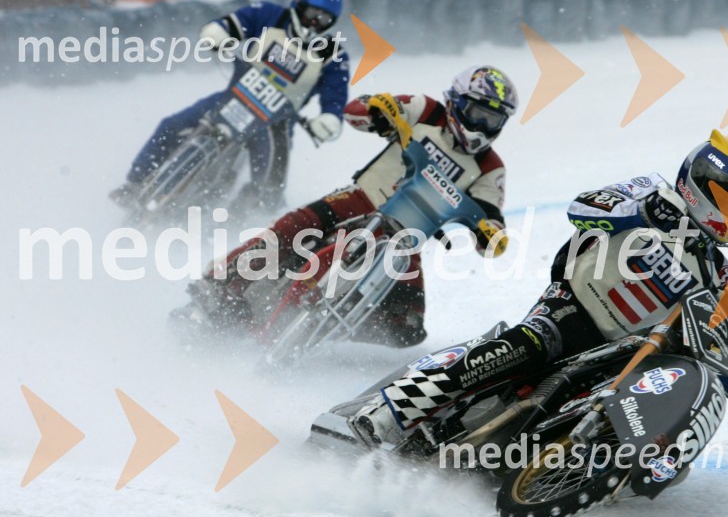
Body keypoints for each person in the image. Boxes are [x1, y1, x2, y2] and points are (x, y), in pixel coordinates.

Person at [350, 129, 728, 445]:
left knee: (654, 407)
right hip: (574, 307)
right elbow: (582, 208)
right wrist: (638, 213)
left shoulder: (721, 272)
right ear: (699, 184)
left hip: (629, 354)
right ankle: (392, 410)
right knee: (526, 347)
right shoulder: (651, 192)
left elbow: (715, 342)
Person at [178, 65, 519, 347]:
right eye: (477, 114)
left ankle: (329, 331)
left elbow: (491, 220)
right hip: (361, 198)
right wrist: (379, 111)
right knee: (292, 227)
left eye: (492, 121)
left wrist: (490, 232)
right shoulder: (426, 109)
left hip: (407, 238)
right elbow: (357, 111)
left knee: (406, 328)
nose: (481, 127)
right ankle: (221, 284)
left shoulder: (492, 168)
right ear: (456, 102)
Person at [111, 0, 350, 211]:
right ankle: (135, 182)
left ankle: (247, 217)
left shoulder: (333, 55)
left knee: (270, 181)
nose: (314, 24)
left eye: (323, 19)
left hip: (275, 123)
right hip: (233, 99)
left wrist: (330, 116)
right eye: (311, 15)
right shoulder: (268, 15)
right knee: (171, 126)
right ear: (298, 7)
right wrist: (220, 33)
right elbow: (236, 23)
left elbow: (335, 92)